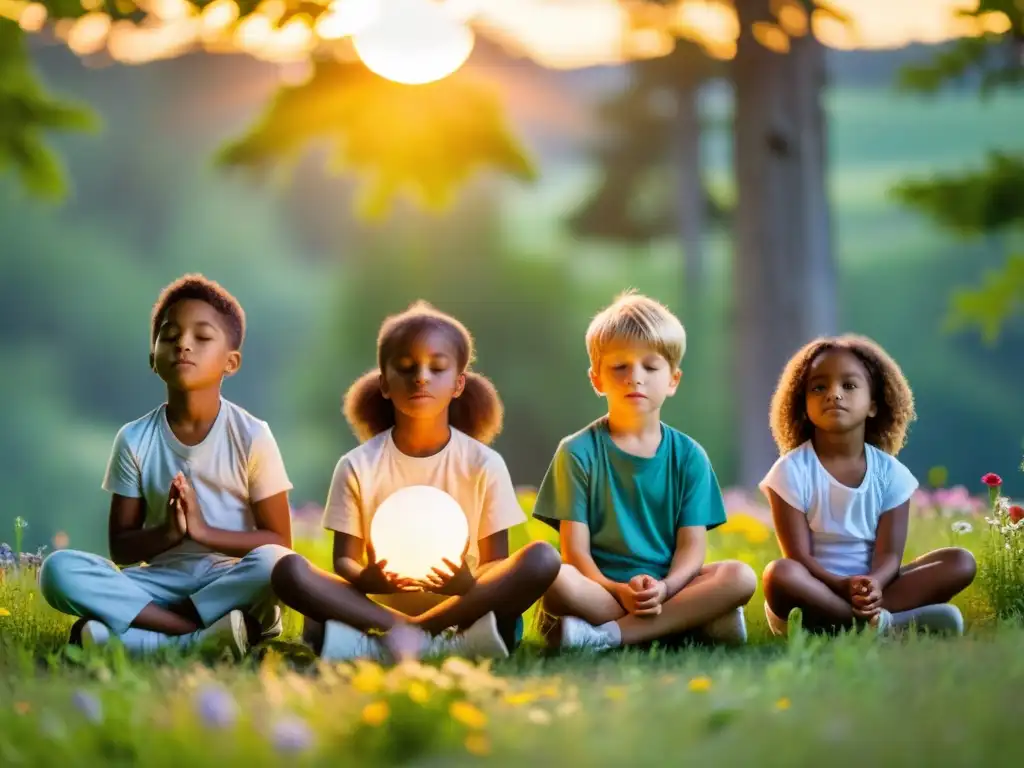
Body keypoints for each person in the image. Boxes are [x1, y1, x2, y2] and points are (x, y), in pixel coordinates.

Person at [270, 301, 561, 663]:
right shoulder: (358, 464)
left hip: (461, 606)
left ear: (458, 384)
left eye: (436, 368)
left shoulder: (483, 463)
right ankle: (425, 638)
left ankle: (401, 638)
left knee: (542, 559)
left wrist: (466, 583)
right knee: (288, 570)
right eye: (406, 368)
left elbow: (494, 564)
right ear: (385, 384)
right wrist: (368, 579)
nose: (421, 377)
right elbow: (344, 561)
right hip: (374, 604)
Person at [39, 274, 294, 658]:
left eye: (202, 336)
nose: (183, 344)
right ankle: (196, 633)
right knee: (57, 570)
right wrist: (169, 534)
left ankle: (131, 636)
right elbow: (122, 547)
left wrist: (204, 533)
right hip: (159, 581)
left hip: (227, 578)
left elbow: (279, 541)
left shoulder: (252, 436)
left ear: (232, 361)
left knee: (273, 564)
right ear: (152, 358)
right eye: (169, 335)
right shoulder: (135, 438)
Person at [534, 291, 757, 652]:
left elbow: (691, 549)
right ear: (597, 379)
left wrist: (666, 589)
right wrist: (618, 589)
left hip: (668, 588)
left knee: (739, 577)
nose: (634, 378)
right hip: (601, 590)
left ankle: (606, 636)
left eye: (650, 367)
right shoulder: (576, 452)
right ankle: (689, 623)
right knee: (554, 578)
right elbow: (575, 553)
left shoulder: (689, 456)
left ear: (673, 380)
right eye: (619, 367)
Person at [759, 334, 976, 637]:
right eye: (819, 387)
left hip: (875, 590)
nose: (833, 394)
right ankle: (885, 625)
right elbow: (799, 557)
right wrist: (841, 585)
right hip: (811, 591)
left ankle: (864, 622)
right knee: (779, 573)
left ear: (874, 405)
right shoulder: (790, 471)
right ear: (803, 404)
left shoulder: (891, 474)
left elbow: (889, 556)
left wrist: (873, 583)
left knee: (959, 562)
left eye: (848, 386)